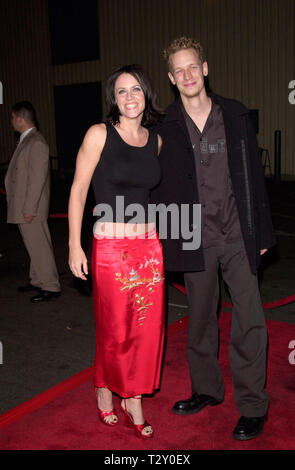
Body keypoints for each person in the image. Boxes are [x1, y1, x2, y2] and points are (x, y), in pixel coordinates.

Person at [151, 37, 276, 441]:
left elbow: (254, 177)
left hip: (238, 235)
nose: (187, 75)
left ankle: (253, 406)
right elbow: (158, 186)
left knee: (249, 320)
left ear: (204, 68)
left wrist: (263, 231)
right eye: (179, 70)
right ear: (171, 78)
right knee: (201, 320)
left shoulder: (235, 114)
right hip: (194, 238)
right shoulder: (165, 125)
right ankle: (207, 389)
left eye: (193, 67)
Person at [68, 64, 165, 439]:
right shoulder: (99, 134)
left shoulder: (155, 140)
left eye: (136, 90)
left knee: (147, 331)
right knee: (114, 330)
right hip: (110, 248)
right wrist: (75, 245)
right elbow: (78, 190)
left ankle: (134, 399)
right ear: (114, 98)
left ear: (147, 95)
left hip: (149, 248)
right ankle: (105, 390)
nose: (129, 97)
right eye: (121, 91)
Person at [5, 101, 61, 302]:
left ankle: (50, 286)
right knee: (33, 246)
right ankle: (37, 280)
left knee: (40, 247)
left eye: (12, 118)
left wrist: (29, 208)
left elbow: (37, 180)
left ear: (20, 118)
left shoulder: (36, 142)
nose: (11, 121)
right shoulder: (27, 141)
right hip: (23, 205)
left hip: (30, 207)